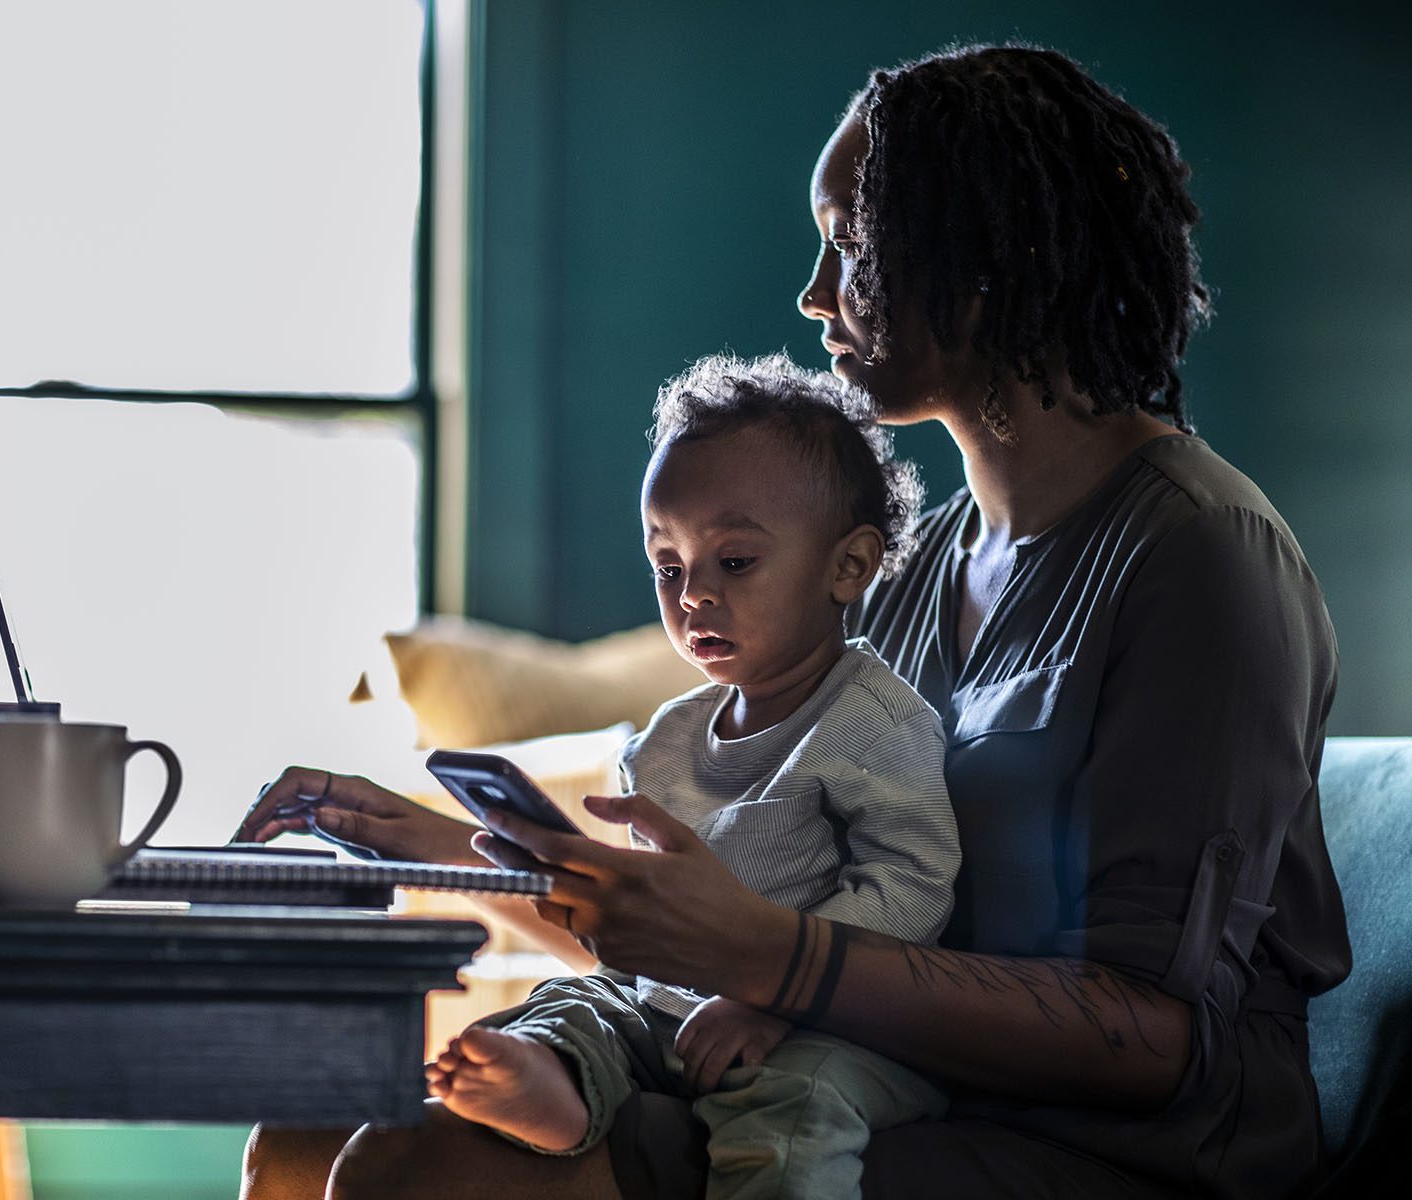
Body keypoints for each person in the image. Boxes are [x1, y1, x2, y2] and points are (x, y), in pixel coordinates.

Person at [236, 42, 1348, 1200]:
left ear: (986, 258)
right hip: (881, 1072)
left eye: (851, 245)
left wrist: (775, 959)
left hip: (1115, 1150)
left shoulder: (1201, 557)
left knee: (416, 1167)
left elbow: (1155, 1037)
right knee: (302, 1140)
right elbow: (721, 941)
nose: (815, 292)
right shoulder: (918, 575)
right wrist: (451, 850)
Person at [421, 353, 958, 1200]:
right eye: (668, 566)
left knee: (795, 1108)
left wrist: (778, 998)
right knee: (577, 1011)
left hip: (833, 1027)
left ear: (848, 568)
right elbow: (650, 929)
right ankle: (558, 1096)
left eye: (734, 563)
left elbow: (914, 886)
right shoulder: (667, 740)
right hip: (671, 1010)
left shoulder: (875, 722)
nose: (692, 594)